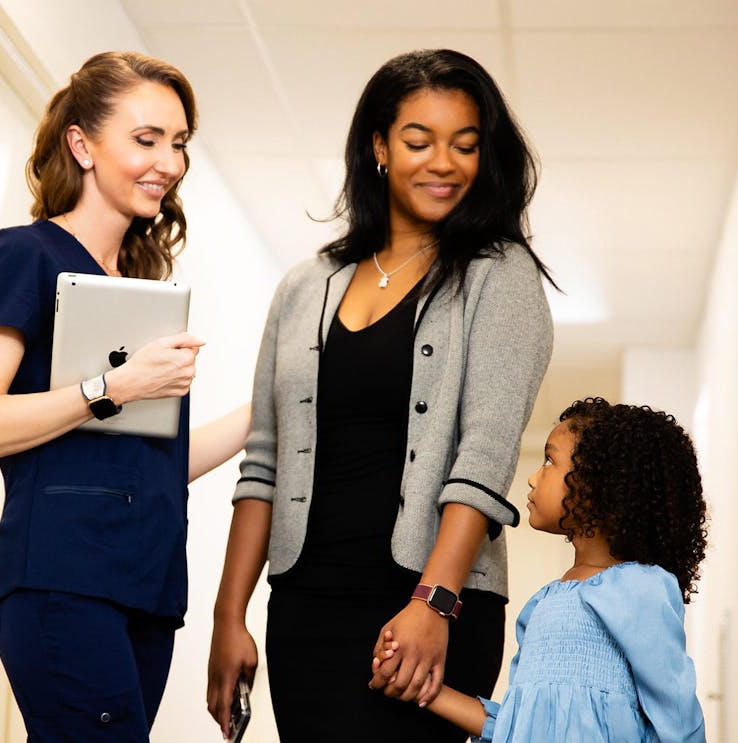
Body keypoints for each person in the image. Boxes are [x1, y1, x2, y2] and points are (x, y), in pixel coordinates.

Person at [207, 49, 554, 742]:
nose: (444, 163)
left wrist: (434, 602)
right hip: (306, 605)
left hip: (430, 603)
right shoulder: (304, 287)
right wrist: (228, 616)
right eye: (419, 141)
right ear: (379, 148)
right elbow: (264, 462)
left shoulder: (499, 275)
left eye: (465, 144)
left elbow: (483, 456)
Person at [0, 51, 248, 742]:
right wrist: (112, 387)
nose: (168, 162)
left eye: (177, 144)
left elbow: (149, 463)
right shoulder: (28, 255)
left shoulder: (138, 289)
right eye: (146, 140)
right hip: (64, 577)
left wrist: (269, 409)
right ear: (82, 144)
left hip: (145, 586)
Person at [373, 398, 709, 742]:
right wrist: (423, 688)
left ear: (600, 482)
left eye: (550, 460)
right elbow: (515, 726)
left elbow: (678, 720)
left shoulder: (640, 589)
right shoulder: (543, 603)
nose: (533, 478)